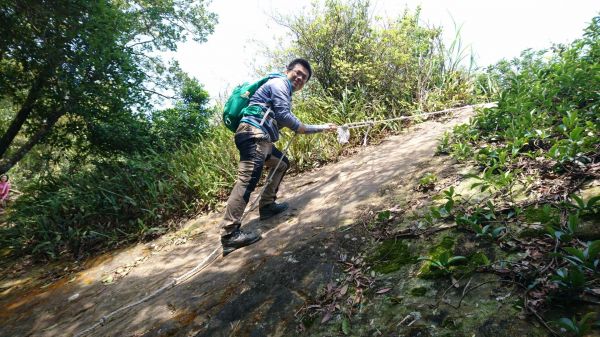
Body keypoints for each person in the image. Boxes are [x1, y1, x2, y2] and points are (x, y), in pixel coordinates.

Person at [220, 58, 337, 256]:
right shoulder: (279, 83)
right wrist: (320, 128)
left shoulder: (282, 88)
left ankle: (266, 206)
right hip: (253, 135)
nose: (300, 78)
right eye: (298, 73)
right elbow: (284, 116)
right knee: (247, 181)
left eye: (304, 78)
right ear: (288, 71)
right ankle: (229, 234)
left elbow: (279, 116)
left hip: (262, 139)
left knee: (281, 163)